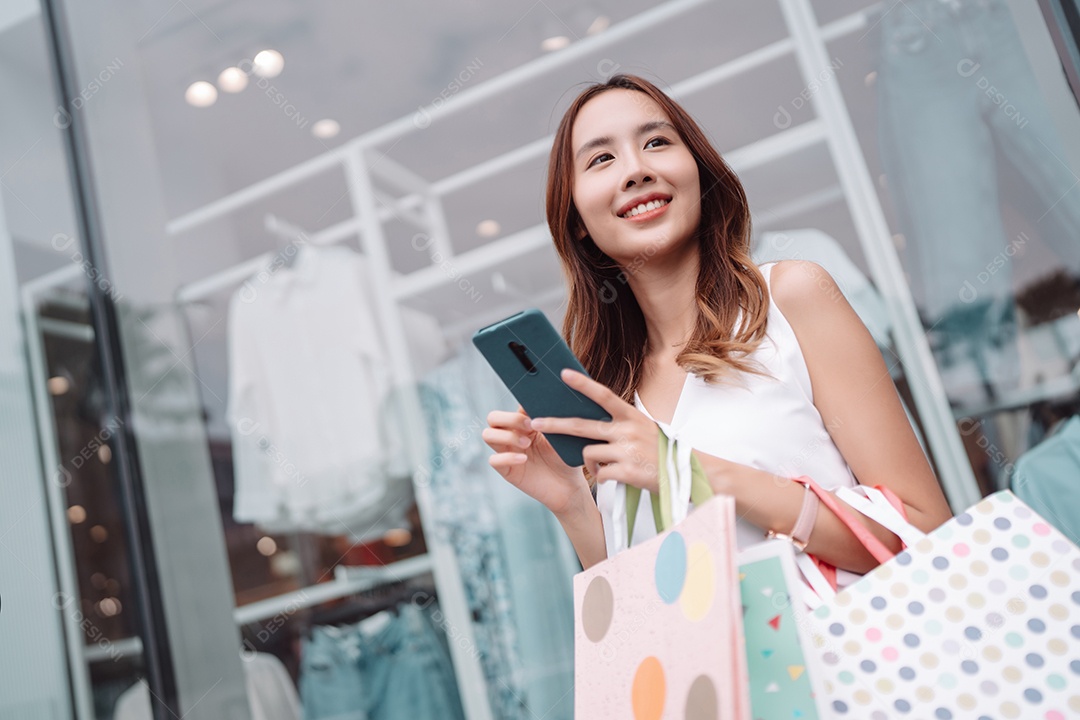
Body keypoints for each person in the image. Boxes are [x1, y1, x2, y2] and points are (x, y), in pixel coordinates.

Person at [481, 74, 952, 577]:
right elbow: (646, 619)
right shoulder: (610, 396)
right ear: (576, 218)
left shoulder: (792, 299)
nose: (636, 170)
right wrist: (573, 503)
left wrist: (686, 470)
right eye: (602, 159)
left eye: (656, 142)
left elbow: (924, 535)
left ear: (699, 173)